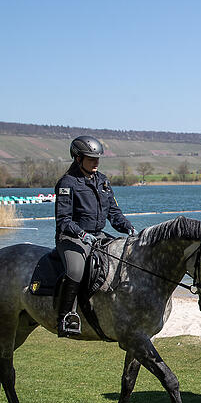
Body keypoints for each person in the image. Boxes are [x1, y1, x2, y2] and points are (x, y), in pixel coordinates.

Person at [54, 135, 135, 337]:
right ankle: (65, 317)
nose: (96, 163)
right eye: (92, 159)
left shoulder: (103, 181)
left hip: (98, 235)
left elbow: (114, 214)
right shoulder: (67, 183)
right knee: (75, 269)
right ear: (78, 158)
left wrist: (129, 229)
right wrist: (81, 234)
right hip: (71, 238)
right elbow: (63, 220)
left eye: (98, 159)